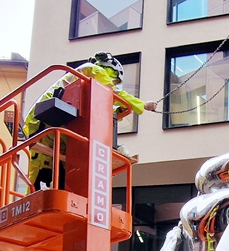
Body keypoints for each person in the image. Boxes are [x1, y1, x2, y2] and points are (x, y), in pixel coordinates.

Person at [23, 51, 158, 188]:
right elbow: (113, 93)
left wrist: (118, 111)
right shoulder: (95, 70)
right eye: (116, 80)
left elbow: (95, 108)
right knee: (42, 170)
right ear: (112, 71)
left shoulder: (84, 78)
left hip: (50, 121)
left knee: (47, 171)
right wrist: (143, 105)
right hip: (45, 120)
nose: (115, 83)